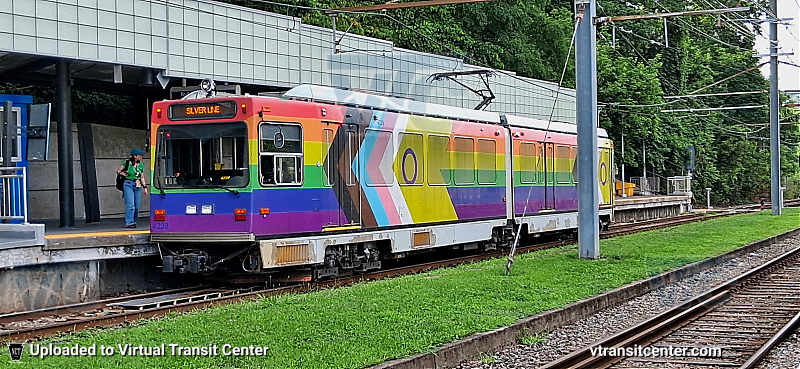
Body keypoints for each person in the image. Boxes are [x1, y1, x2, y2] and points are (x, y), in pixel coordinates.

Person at [117, 148, 148, 228]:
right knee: (130, 205)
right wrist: (123, 174)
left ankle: (134, 221)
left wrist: (145, 187)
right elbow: (118, 171)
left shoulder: (141, 165)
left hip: (137, 184)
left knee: (137, 205)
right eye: (140, 155)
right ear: (135, 156)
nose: (141, 157)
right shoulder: (127, 163)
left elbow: (142, 176)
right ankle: (129, 222)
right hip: (128, 183)